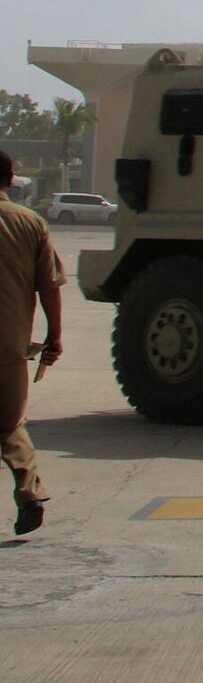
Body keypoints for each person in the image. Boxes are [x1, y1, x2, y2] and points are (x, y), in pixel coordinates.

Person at [1, 149, 63, 535]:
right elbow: (49, 287)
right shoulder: (30, 223)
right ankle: (30, 494)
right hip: (9, 343)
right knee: (10, 424)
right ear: (10, 179)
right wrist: (54, 336)